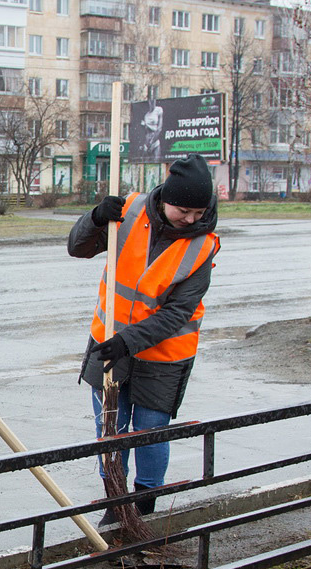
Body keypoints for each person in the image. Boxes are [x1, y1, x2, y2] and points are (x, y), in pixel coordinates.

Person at [67, 153, 220, 520]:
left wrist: (128, 341)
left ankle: (145, 506)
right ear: (165, 198)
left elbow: (177, 314)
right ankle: (114, 505)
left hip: (164, 355)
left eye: (199, 213)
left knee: (150, 432)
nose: (191, 219)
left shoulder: (203, 246)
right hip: (109, 343)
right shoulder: (129, 212)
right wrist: (95, 218)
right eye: (183, 210)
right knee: (111, 432)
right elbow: (77, 247)